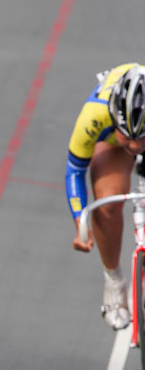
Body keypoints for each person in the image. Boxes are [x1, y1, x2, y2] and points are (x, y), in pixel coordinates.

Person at [66, 62, 145, 330]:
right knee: (107, 202)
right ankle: (114, 281)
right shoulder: (95, 115)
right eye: (128, 138)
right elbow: (75, 170)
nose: (134, 146)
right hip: (111, 145)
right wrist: (81, 222)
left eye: (141, 139)